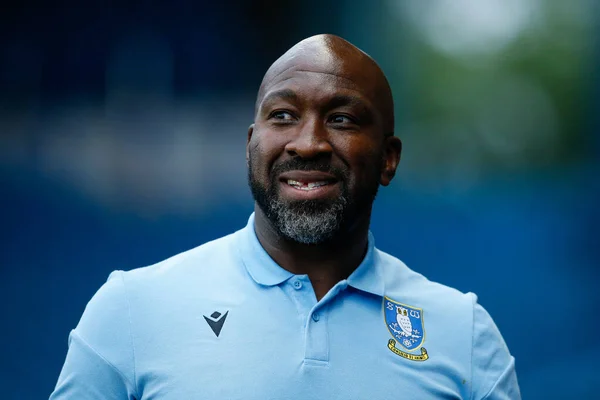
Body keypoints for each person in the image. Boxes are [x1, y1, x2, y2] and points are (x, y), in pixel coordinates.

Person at [50, 34, 521, 399]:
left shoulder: (463, 334)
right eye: (282, 116)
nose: (308, 142)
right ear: (251, 143)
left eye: (341, 119)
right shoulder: (131, 310)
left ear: (388, 159)